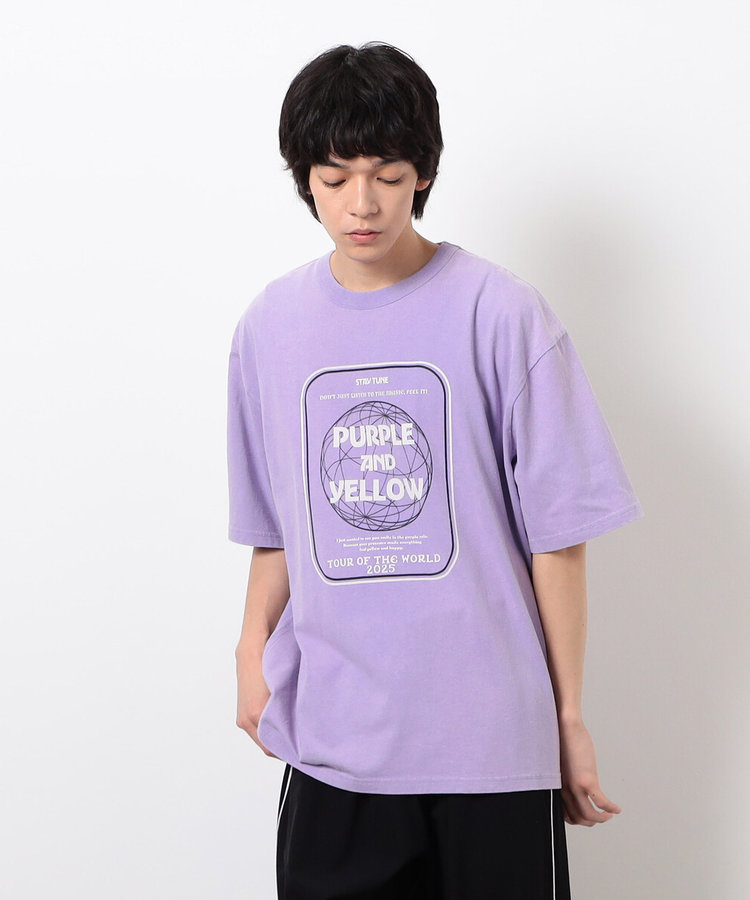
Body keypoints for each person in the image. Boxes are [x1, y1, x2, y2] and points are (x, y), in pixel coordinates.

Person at [227, 41, 644, 899]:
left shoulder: (502, 313)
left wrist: (567, 718)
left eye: (387, 174)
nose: (363, 203)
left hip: (491, 745)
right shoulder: (270, 328)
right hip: (337, 745)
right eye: (335, 177)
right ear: (305, 179)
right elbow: (277, 527)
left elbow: (558, 540)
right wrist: (248, 650)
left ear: (422, 172)